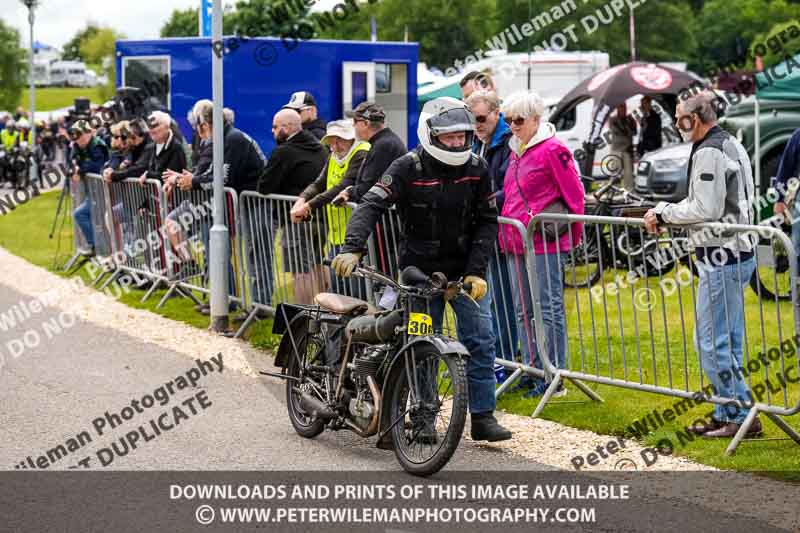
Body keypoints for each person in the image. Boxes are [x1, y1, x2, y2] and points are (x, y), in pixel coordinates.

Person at [332, 97, 513, 444]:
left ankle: (483, 416)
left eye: (462, 136)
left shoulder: (477, 168)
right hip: (418, 274)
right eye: (450, 137)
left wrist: (477, 270)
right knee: (420, 345)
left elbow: (487, 222)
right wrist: (352, 246)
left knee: (481, 339)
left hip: (463, 274)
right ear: (430, 133)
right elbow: (371, 203)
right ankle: (424, 416)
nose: (458, 143)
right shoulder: (406, 166)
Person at [644, 91, 759, 439]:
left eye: (681, 118)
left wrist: (664, 212)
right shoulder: (727, 143)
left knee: (709, 342)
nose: (678, 125)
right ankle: (728, 411)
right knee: (728, 340)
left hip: (723, 255)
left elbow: (705, 208)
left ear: (695, 118)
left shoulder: (710, 149)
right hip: (737, 253)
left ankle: (740, 414)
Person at [498, 91, 585, 398]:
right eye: (508, 120)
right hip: (516, 240)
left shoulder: (555, 149)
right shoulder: (516, 149)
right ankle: (534, 369)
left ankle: (554, 375)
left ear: (537, 119)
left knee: (548, 309)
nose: (513, 125)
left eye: (519, 120)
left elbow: (575, 195)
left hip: (545, 242)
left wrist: (573, 235)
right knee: (524, 311)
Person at [465, 90, 519, 372]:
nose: (476, 124)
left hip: (505, 229)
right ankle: (497, 356)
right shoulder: (477, 141)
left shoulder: (507, 143)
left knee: (506, 300)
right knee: (489, 299)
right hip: (485, 230)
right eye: (471, 120)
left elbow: (506, 189)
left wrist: (476, 202)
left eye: (481, 118)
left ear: (497, 114)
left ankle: (508, 360)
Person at [291, 119, 370, 298]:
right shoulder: (333, 155)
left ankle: (359, 325)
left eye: (339, 139)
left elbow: (342, 185)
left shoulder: (361, 153)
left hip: (358, 236)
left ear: (351, 139)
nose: (334, 145)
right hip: (337, 234)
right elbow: (319, 183)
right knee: (338, 287)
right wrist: (301, 199)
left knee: (357, 290)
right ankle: (342, 325)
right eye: (331, 140)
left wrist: (308, 206)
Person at [259, 108, 328, 304]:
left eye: (275, 127)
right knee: (317, 265)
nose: (272, 131)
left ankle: (304, 320)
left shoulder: (284, 152)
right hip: (321, 218)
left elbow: (264, 187)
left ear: (287, 128)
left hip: (296, 221)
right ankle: (327, 313)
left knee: (300, 271)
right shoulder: (319, 147)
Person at [70, 120, 110, 256]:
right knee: (90, 217)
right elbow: (72, 161)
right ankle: (97, 247)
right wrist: (74, 165)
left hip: (103, 190)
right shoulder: (79, 147)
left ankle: (98, 248)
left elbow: (97, 166)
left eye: (79, 135)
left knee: (82, 214)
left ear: (87, 133)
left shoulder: (97, 145)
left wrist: (80, 170)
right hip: (92, 190)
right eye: (74, 135)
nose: (77, 139)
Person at [773, 127, 800, 268]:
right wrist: (779, 200)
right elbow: (786, 168)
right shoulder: (798, 135)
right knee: (798, 248)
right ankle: (796, 286)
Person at [139, 111, 187, 185]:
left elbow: (169, 175)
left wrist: (148, 175)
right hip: (154, 194)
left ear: (167, 126)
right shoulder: (151, 147)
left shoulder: (176, 147)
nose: (152, 129)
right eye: (150, 126)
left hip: (172, 193)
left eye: (156, 125)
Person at [608, 102, 637, 190]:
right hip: (616, 150)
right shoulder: (613, 120)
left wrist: (629, 124)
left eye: (624, 107)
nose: (623, 109)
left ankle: (629, 192)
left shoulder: (630, 119)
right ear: (617, 108)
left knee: (629, 174)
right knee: (615, 173)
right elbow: (620, 131)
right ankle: (613, 191)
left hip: (628, 150)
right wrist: (628, 129)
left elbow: (634, 132)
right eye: (620, 107)